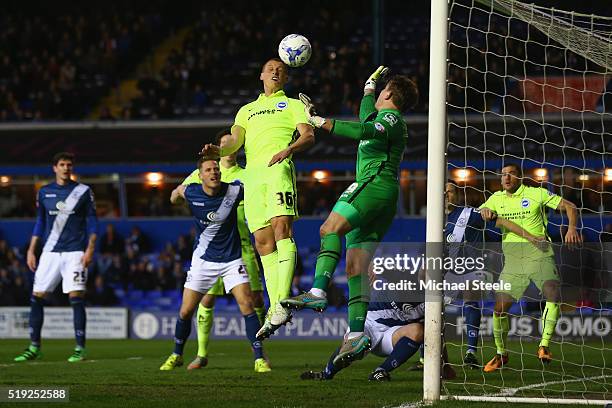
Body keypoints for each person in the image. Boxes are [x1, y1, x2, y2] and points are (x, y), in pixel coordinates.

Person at [281, 67, 418, 366]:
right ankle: (356, 335)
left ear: (390, 94)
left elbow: (363, 129)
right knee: (356, 268)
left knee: (328, 228)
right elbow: (366, 115)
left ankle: (318, 290)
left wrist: (319, 122)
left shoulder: (392, 119)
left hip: (374, 184)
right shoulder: (380, 115)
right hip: (383, 199)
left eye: (382, 91)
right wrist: (369, 87)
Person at [200, 58, 315, 340]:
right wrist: (218, 148)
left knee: (281, 231)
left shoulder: (292, 104)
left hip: (278, 171)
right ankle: (277, 305)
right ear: (261, 74)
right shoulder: (246, 111)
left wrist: (289, 150)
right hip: (253, 179)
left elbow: (308, 135)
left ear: (285, 78)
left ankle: (280, 302)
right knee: (263, 243)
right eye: (270, 68)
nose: (275, 71)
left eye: (281, 70)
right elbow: (235, 141)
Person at [160, 157, 270, 373]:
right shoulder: (192, 192)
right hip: (202, 261)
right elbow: (176, 194)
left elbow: (258, 190)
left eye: (216, 169)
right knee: (185, 311)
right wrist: (175, 196)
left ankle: (259, 358)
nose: (214, 173)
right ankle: (177, 354)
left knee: (247, 305)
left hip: (232, 260)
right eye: (209, 170)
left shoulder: (234, 191)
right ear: (200, 175)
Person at [479, 163, 581, 372]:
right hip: (513, 262)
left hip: (540, 255)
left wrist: (571, 228)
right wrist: (485, 211)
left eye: (511, 174)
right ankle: (501, 354)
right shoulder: (496, 198)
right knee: (499, 309)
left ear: (521, 177)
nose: (506, 178)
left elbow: (570, 206)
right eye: (503, 175)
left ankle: (544, 345)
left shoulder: (536, 193)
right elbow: (484, 211)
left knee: (552, 293)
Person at [14, 152, 98, 363]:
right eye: (62, 164)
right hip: (50, 252)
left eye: (69, 164)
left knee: (76, 297)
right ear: (55, 168)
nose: (66, 168)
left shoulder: (83, 191)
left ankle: (80, 348)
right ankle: (34, 347)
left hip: (75, 252)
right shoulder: (44, 192)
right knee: (37, 297)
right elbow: (40, 223)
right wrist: (32, 250)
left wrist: (90, 249)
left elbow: (93, 222)